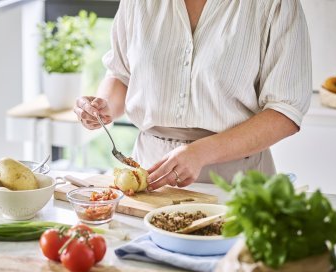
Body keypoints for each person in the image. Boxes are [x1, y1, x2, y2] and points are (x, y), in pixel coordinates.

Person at [74, 0, 312, 191]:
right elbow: (121, 73)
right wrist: (102, 107)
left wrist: (201, 152)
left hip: (238, 181)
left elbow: (285, 111)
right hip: (149, 176)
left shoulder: (276, 4)